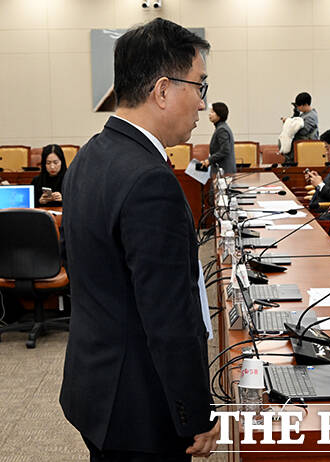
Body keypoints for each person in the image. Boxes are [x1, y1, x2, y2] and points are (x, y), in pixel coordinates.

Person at [60, 18, 218, 461]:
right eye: (199, 86)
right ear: (164, 90)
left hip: (96, 385)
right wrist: (197, 416)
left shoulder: (91, 153)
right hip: (141, 407)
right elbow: (169, 319)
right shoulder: (150, 180)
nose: (203, 106)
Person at [282, 92, 319, 163]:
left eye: (299, 106)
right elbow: (296, 123)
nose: (298, 108)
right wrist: (295, 115)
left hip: (305, 148)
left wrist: (288, 122)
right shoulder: (304, 114)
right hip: (299, 147)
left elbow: (302, 131)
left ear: (305, 104)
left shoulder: (311, 116)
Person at [201, 101, 236, 174]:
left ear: (219, 114)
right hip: (223, 170)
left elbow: (225, 150)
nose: (209, 114)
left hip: (224, 171)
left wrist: (209, 160)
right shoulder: (221, 127)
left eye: (213, 112)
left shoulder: (221, 130)